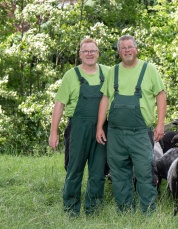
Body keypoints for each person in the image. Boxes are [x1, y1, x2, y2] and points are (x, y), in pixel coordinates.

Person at [96, 35, 166, 214]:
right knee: (119, 174)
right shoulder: (113, 72)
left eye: (130, 47)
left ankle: (147, 211)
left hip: (140, 132)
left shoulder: (149, 69)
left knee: (145, 173)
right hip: (116, 132)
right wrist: (99, 127)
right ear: (119, 52)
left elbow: (160, 95)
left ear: (136, 49)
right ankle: (125, 210)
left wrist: (160, 124)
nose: (127, 50)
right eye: (123, 48)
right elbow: (105, 98)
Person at [49, 38, 110, 217]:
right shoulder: (71, 75)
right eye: (86, 51)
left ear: (98, 53)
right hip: (77, 128)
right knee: (74, 169)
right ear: (80, 54)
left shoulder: (108, 72)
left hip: (101, 128)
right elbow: (59, 104)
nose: (90, 54)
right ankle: (71, 209)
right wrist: (54, 133)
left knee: (98, 171)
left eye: (93, 51)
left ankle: (94, 210)